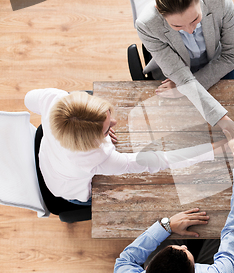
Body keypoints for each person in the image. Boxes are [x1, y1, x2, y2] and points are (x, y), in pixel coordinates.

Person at [113, 116, 234, 273]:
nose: (183, 248)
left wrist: (166, 225)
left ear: (147, 269)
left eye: (178, 249)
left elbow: (125, 259)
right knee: (219, 232)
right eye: (185, 252)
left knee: (188, 228)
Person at [25, 88, 223, 205]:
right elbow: (160, 160)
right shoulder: (98, 156)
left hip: (49, 158)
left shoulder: (54, 100)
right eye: (106, 130)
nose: (115, 125)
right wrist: (214, 150)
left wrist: (95, 129)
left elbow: (28, 99)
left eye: (108, 117)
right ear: (87, 141)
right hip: (68, 190)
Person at [136, 0, 234, 131]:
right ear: (159, 11)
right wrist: (224, 122)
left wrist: (183, 89)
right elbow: (181, 76)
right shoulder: (146, 24)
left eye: (195, 19)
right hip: (175, 72)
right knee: (180, 127)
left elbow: (232, 55)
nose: (189, 30)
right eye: (177, 26)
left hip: (219, 62)